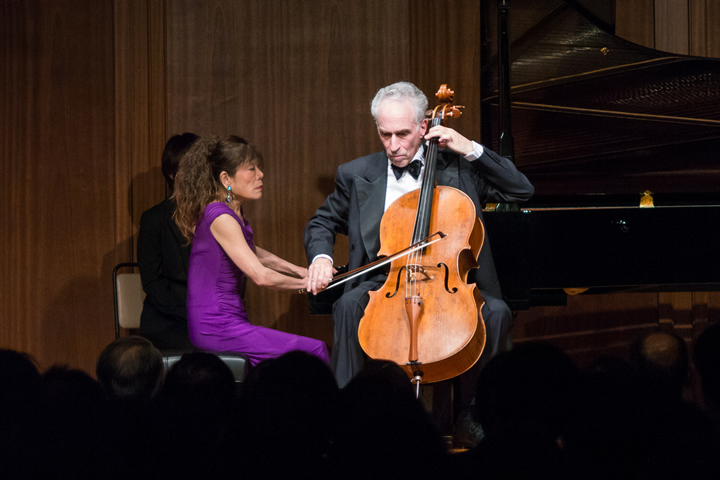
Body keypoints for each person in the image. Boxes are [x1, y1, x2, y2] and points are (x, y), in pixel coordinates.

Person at [304, 81, 534, 389]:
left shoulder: (459, 170)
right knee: (347, 306)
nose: (393, 145)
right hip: (385, 280)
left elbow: (521, 189)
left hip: (450, 281)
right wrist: (321, 257)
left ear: (423, 126)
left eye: (402, 134)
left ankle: (482, 411)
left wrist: (469, 148)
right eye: (385, 134)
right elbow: (322, 221)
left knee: (497, 313)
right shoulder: (356, 173)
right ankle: (350, 410)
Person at [173, 135, 329, 366]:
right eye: (251, 169)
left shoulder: (230, 212)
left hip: (227, 319)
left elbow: (252, 252)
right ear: (226, 178)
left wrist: (300, 271)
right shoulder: (219, 215)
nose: (260, 175)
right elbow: (261, 276)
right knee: (315, 350)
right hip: (216, 324)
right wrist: (309, 284)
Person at [137, 132, 199, 350]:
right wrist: (190, 312)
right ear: (172, 174)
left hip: (212, 317)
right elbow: (152, 282)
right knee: (197, 350)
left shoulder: (219, 216)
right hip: (167, 321)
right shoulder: (154, 219)